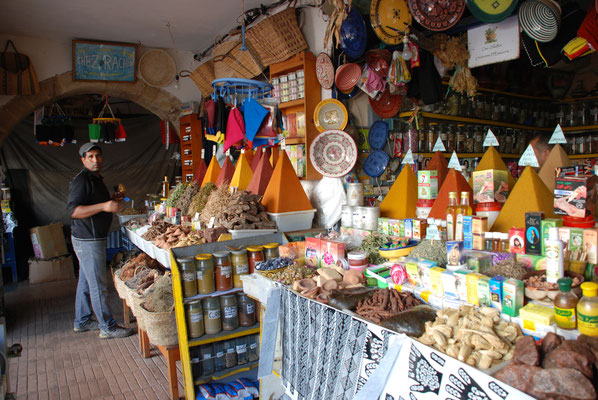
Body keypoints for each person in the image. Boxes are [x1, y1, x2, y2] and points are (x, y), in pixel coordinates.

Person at [67, 143, 135, 339]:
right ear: (83, 159)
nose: (95, 160)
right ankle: (108, 326)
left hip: (89, 238)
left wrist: (112, 200)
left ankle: (82, 321)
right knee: (98, 284)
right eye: (90, 156)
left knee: (86, 281)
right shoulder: (82, 181)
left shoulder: (95, 179)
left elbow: (95, 205)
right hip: (88, 239)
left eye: (98, 156)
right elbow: (74, 211)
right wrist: (105, 206)